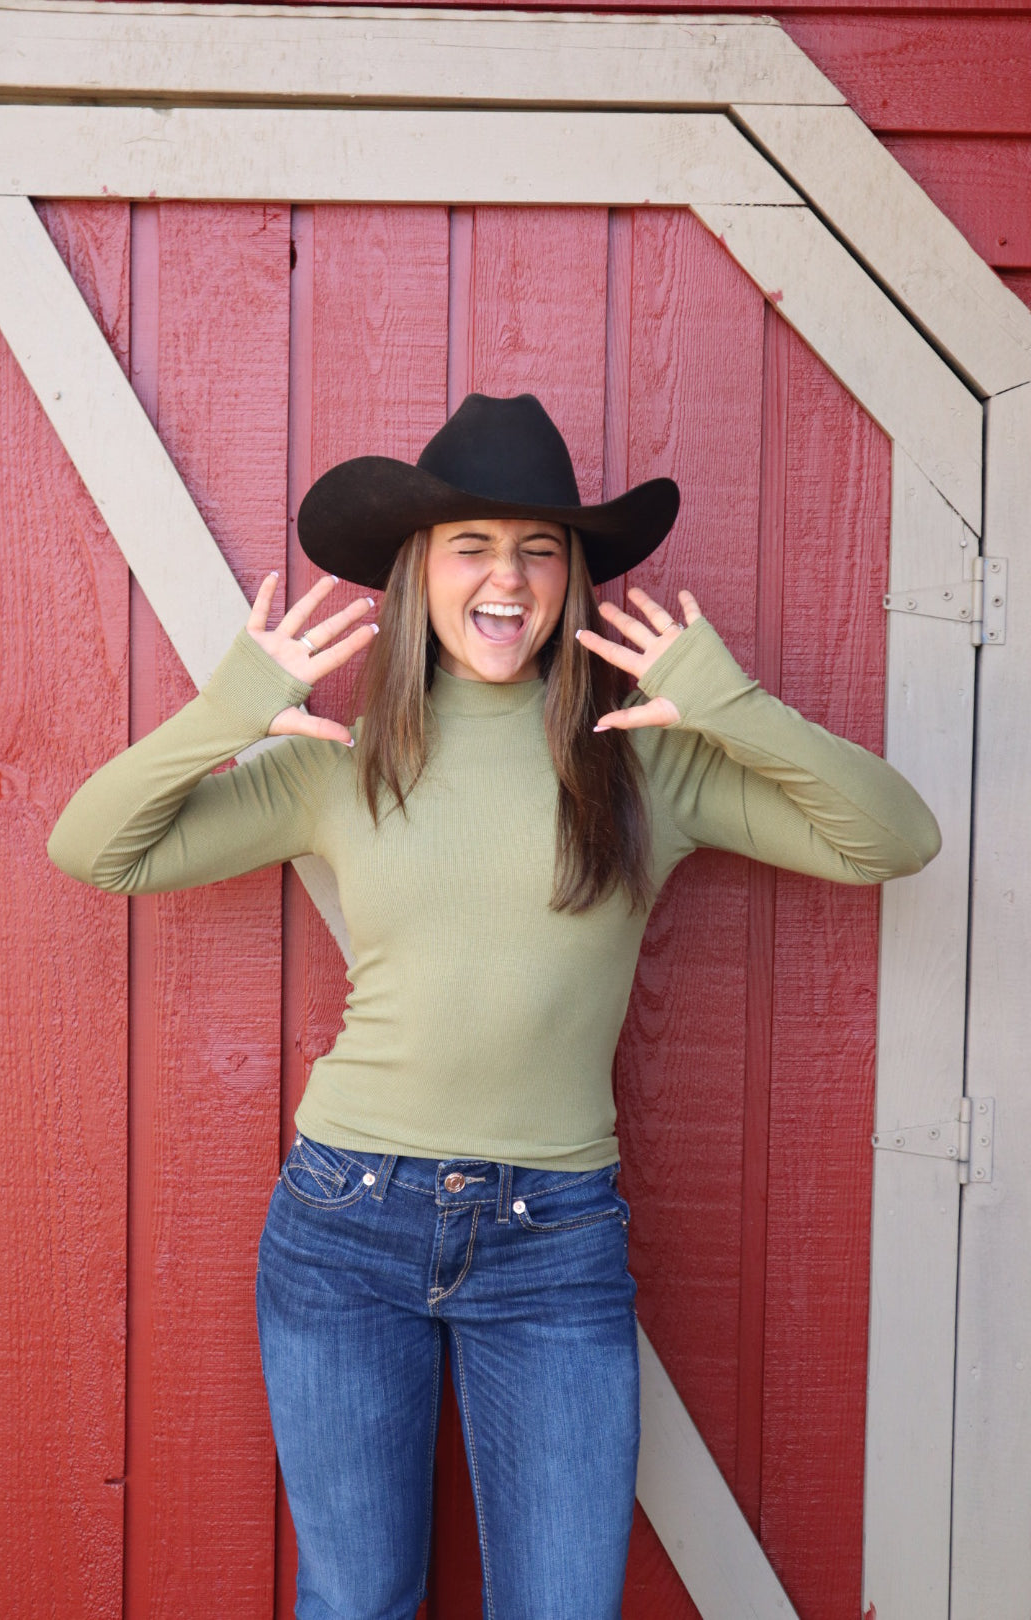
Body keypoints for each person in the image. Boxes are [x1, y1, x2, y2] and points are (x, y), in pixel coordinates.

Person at [47, 391, 941, 1620]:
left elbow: (893, 840)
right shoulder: (335, 761)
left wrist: (731, 705)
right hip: (344, 1220)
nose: (507, 576)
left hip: (555, 1239)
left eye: (540, 548)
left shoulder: (646, 761)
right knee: (358, 1600)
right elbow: (98, 850)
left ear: (573, 580)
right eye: (472, 545)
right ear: (419, 572)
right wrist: (223, 713)